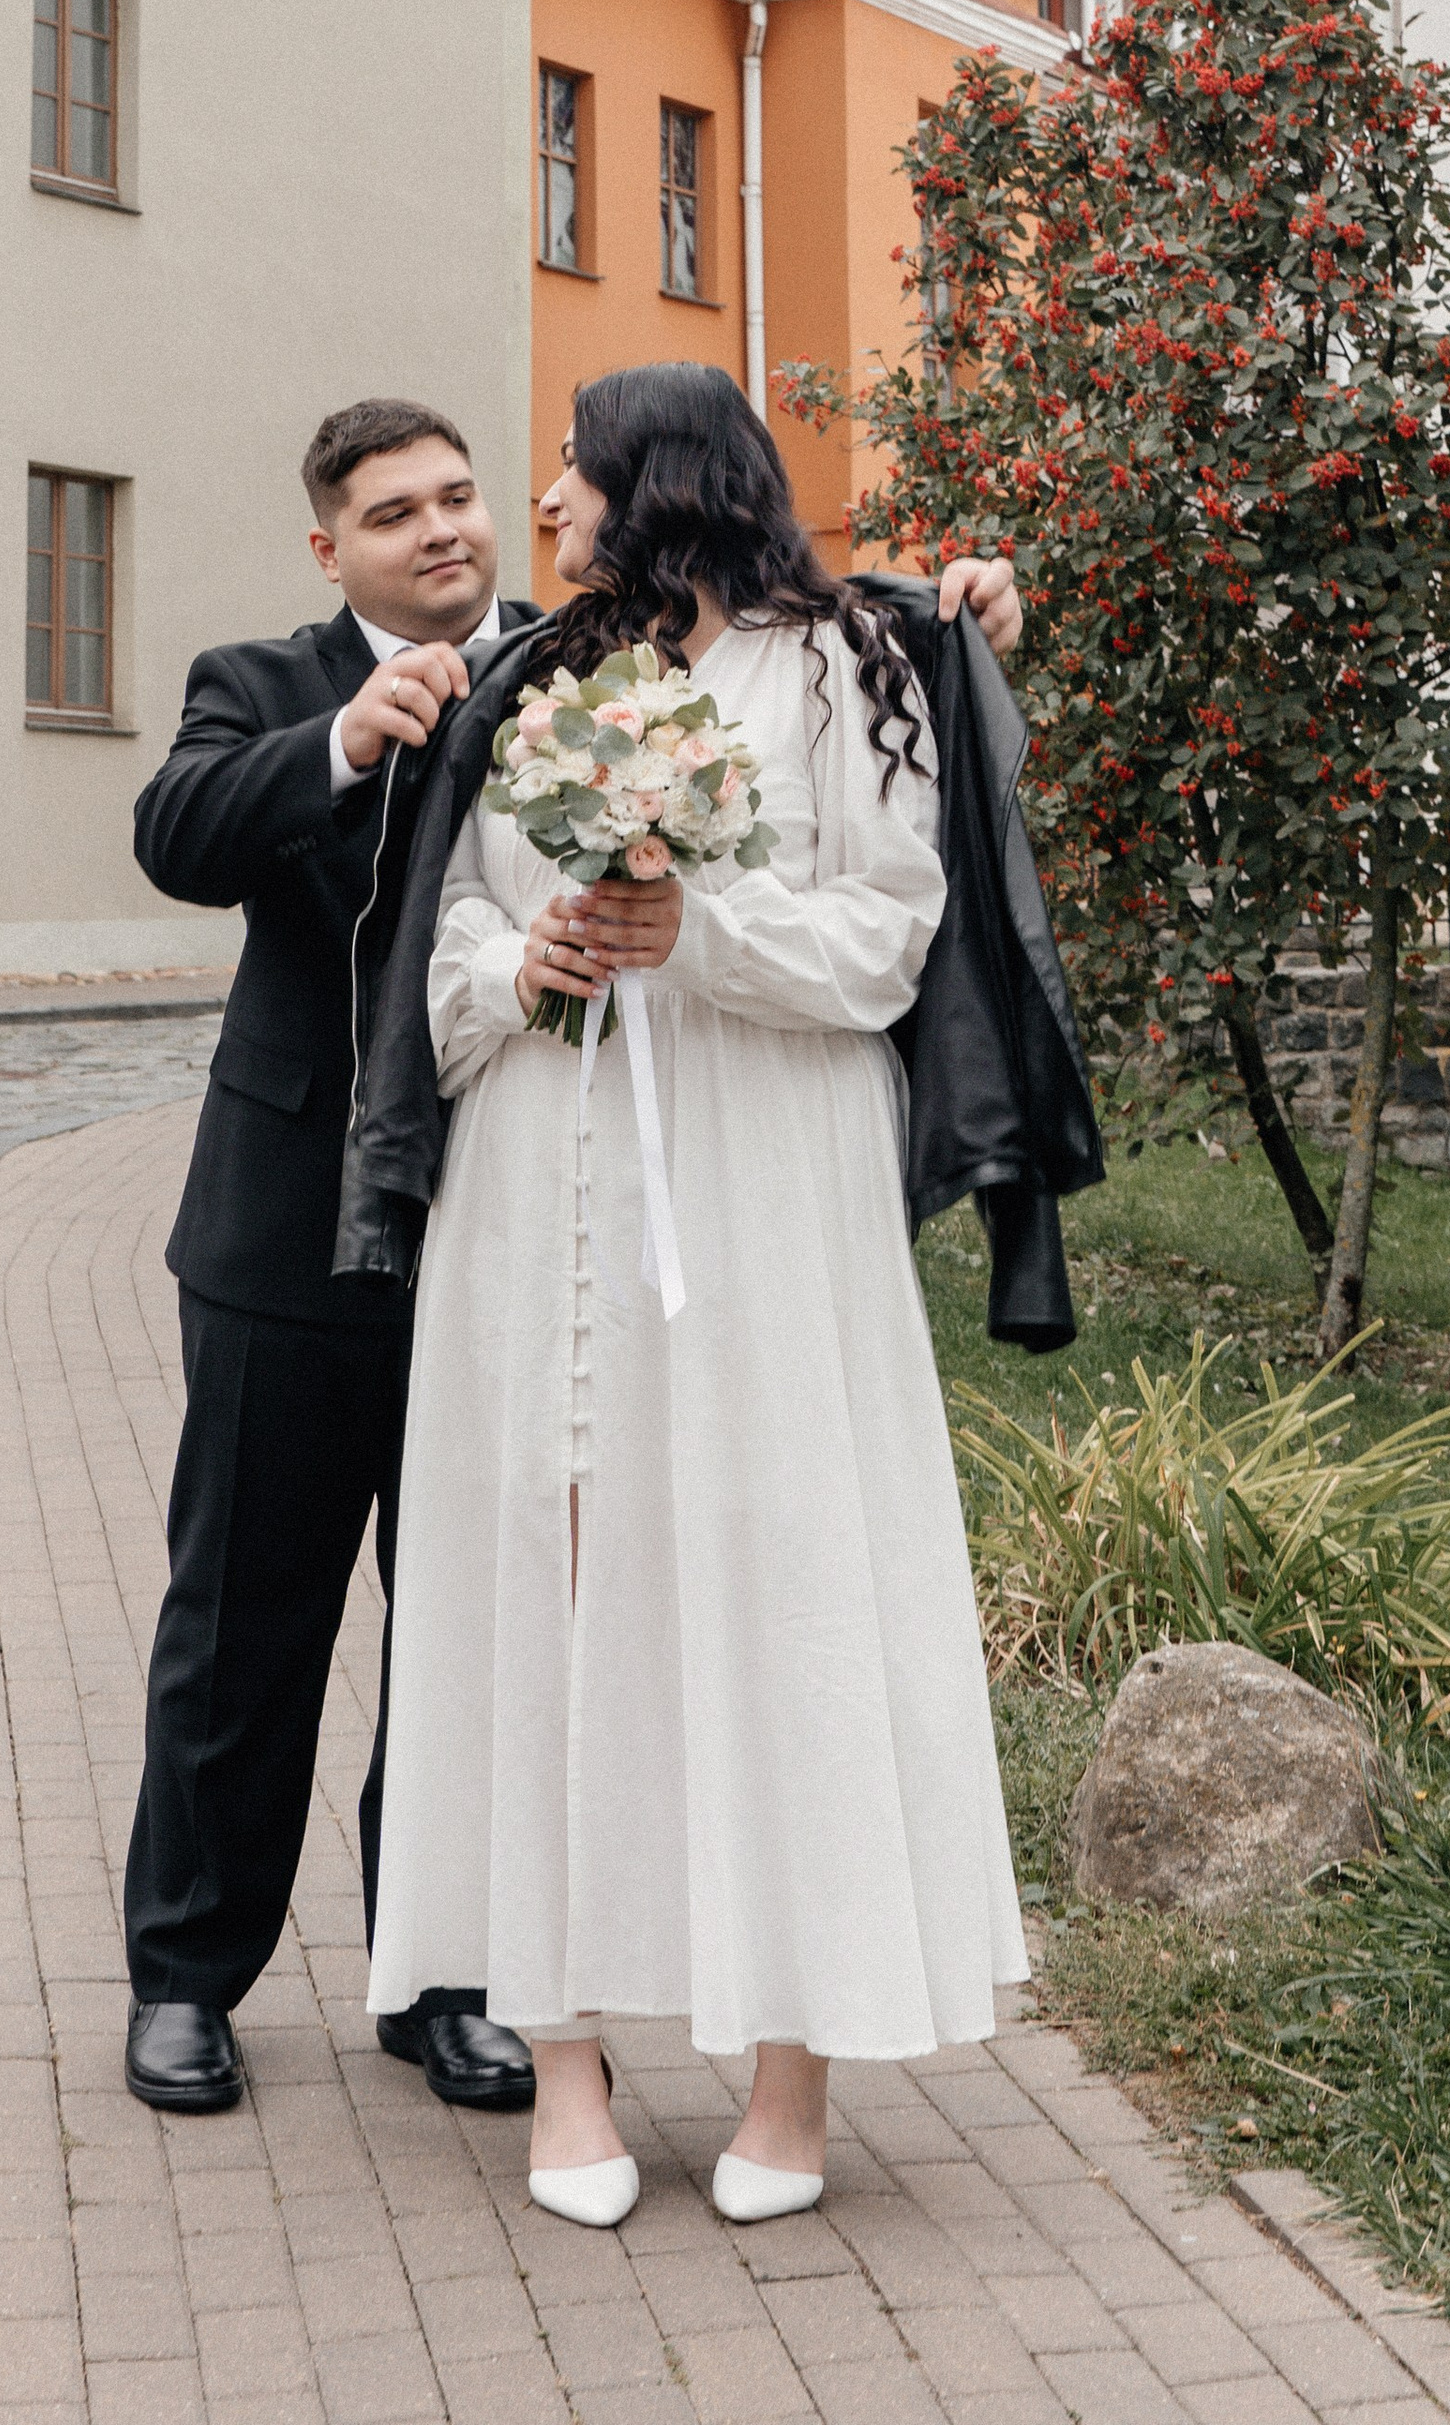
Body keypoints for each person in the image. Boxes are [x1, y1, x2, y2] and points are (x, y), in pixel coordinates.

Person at [122, 396, 1021, 2120]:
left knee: (487, 1608)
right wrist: (350, 741)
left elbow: (784, 616)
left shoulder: (569, 659)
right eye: (400, 514)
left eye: (466, 494)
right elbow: (178, 831)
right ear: (335, 550)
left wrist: (963, 600)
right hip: (302, 1233)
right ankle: (188, 1977)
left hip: (535, 1233)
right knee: (247, 1618)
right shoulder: (269, 682)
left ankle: (456, 1976)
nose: (452, 525)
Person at [364, 364, 1037, 2231]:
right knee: (557, 1578)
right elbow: (450, 949)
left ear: (652, 483)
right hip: (547, 1181)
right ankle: (564, 2064)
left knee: (776, 1568)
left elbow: (887, 941)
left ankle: (792, 2069)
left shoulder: (846, 675)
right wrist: (542, 957)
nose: (544, 506)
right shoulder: (533, 683)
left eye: (569, 474)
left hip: (764, 1177)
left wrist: (701, 927)